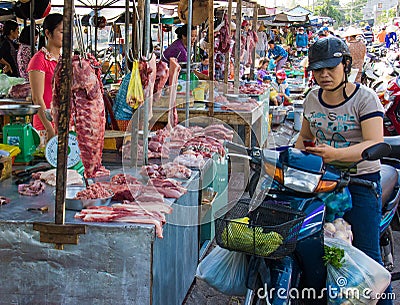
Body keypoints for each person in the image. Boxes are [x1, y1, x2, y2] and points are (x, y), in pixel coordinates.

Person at [295, 36, 392, 305]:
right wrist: (291, 155)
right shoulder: (312, 98)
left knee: (367, 259)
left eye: (331, 68)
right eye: (317, 69)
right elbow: (304, 137)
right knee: (309, 248)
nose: (324, 75)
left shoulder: (365, 98)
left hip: (360, 182)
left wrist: (336, 155)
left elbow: (376, 142)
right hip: (322, 181)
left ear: (345, 65)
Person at [27, 13, 63, 145]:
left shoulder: (63, 60)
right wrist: (50, 128)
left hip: (63, 124)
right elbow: (37, 98)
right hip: (45, 127)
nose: (66, 36)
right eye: (61, 32)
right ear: (48, 33)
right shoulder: (39, 60)